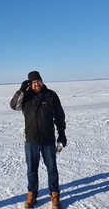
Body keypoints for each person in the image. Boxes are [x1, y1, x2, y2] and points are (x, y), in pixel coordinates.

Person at [10, 71, 67, 209]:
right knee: (31, 170)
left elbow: (59, 116)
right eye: (33, 82)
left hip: (48, 139)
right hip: (31, 140)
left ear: (42, 81)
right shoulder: (25, 97)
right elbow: (13, 106)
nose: (36, 84)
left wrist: (62, 133)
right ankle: (32, 194)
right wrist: (21, 90)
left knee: (52, 169)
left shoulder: (51, 95)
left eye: (38, 81)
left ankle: (54, 195)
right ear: (30, 84)